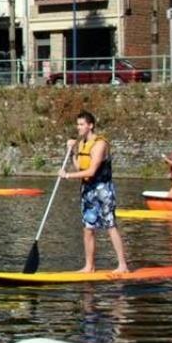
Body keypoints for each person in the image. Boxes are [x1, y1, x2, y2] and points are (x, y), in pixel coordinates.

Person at [60, 110, 130, 274]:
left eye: (82, 124)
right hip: (88, 190)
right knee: (88, 228)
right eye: (77, 125)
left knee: (110, 225)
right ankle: (89, 266)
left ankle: (122, 265)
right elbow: (79, 167)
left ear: (90, 125)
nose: (79, 128)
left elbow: (91, 171)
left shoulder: (100, 144)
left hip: (103, 189)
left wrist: (67, 175)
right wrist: (72, 153)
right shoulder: (82, 143)